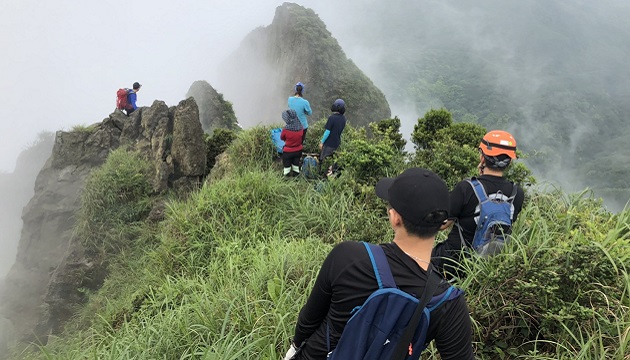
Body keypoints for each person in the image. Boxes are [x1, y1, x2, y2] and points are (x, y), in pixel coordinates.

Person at [284, 168, 474, 360]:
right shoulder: (447, 302)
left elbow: (309, 321)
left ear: (394, 218)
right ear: (442, 223)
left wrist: (295, 348)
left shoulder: (348, 256)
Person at [432, 130, 525, 277]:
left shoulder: (466, 188)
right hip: (487, 269)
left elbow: (441, 225)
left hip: (451, 264)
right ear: (510, 161)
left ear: (482, 157)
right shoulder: (517, 194)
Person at [318, 99, 347, 164]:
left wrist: (322, 142)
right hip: (337, 143)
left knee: (323, 160)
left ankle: (322, 173)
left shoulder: (332, 118)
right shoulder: (344, 119)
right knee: (332, 160)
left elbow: (327, 132)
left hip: (329, 143)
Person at [280, 109, 304, 177]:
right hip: (298, 150)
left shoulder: (286, 129)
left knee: (287, 167)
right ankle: (296, 178)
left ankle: (287, 179)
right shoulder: (301, 127)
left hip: (288, 152)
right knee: (296, 165)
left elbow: (282, 138)